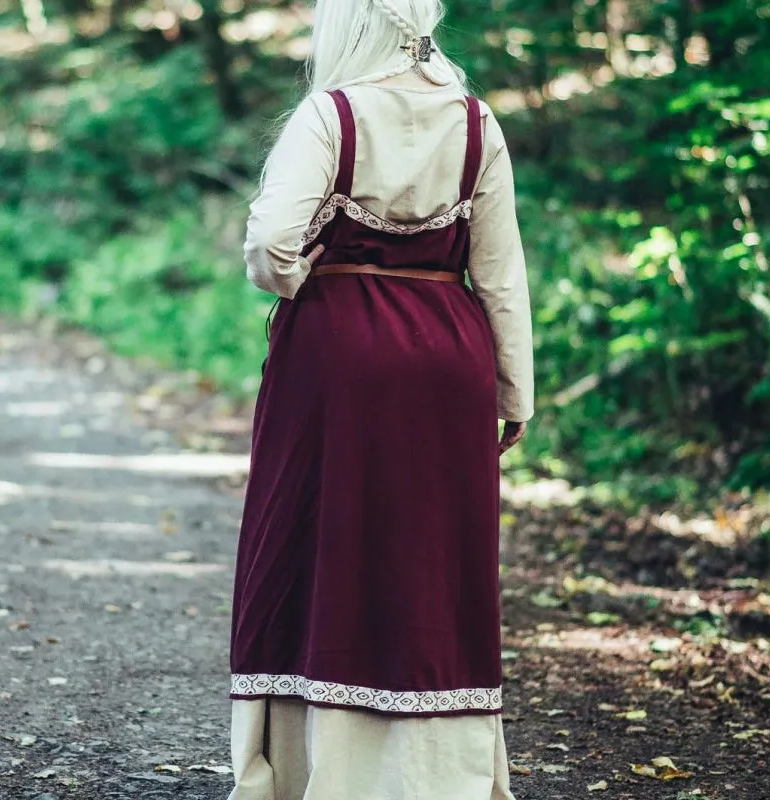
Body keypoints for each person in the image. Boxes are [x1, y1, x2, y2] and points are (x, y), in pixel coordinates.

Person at [227, 0, 534, 797]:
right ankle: (440, 776)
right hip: (449, 360)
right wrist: (514, 390)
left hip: (338, 358)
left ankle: (306, 769)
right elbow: (499, 273)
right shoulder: (476, 122)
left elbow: (270, 244)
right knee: (435, 564)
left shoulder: (329, 115)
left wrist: (295, 281)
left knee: (316, 547)